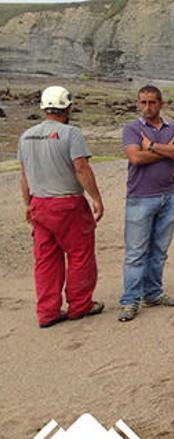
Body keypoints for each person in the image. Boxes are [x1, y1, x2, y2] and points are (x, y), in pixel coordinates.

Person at [18, 86, 105, 328]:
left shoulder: (26, 136)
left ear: (45, 108)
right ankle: (80, 305)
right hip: (67, 203)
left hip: (39, 204)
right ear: (67, 107)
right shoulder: (70, 134)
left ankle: (47, 312)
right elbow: (81, 168)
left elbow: (24, 175)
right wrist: (96, 198)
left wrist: (28, 203)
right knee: (80, 255)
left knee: (46, 259)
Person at [118, 85, 174, 322]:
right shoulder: (132, 128)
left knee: (159, 251)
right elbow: (135, 158)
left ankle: (152, 293)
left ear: (161, 104)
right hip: (140, 197)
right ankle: (130, 300)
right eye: (143, 102)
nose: (147, 107)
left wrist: (152, 146)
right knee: (136, 253)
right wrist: (169, 150)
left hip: (168, 196)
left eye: (151, 102)